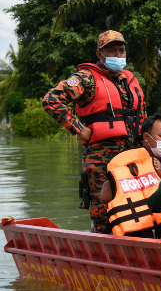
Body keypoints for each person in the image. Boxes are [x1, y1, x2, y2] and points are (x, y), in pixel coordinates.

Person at [43, 30, 145, 234]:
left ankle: (137, 241)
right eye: (112, 51)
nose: (118, 55)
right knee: (103, 207)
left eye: (121, 51)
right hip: (101, 154)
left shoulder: (130, 80)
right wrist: (78, 128)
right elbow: (51, 100)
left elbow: (141, 115)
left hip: (132, 153)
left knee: (137, 201)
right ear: (100, 54)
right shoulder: (86, 78)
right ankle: (102, 241)